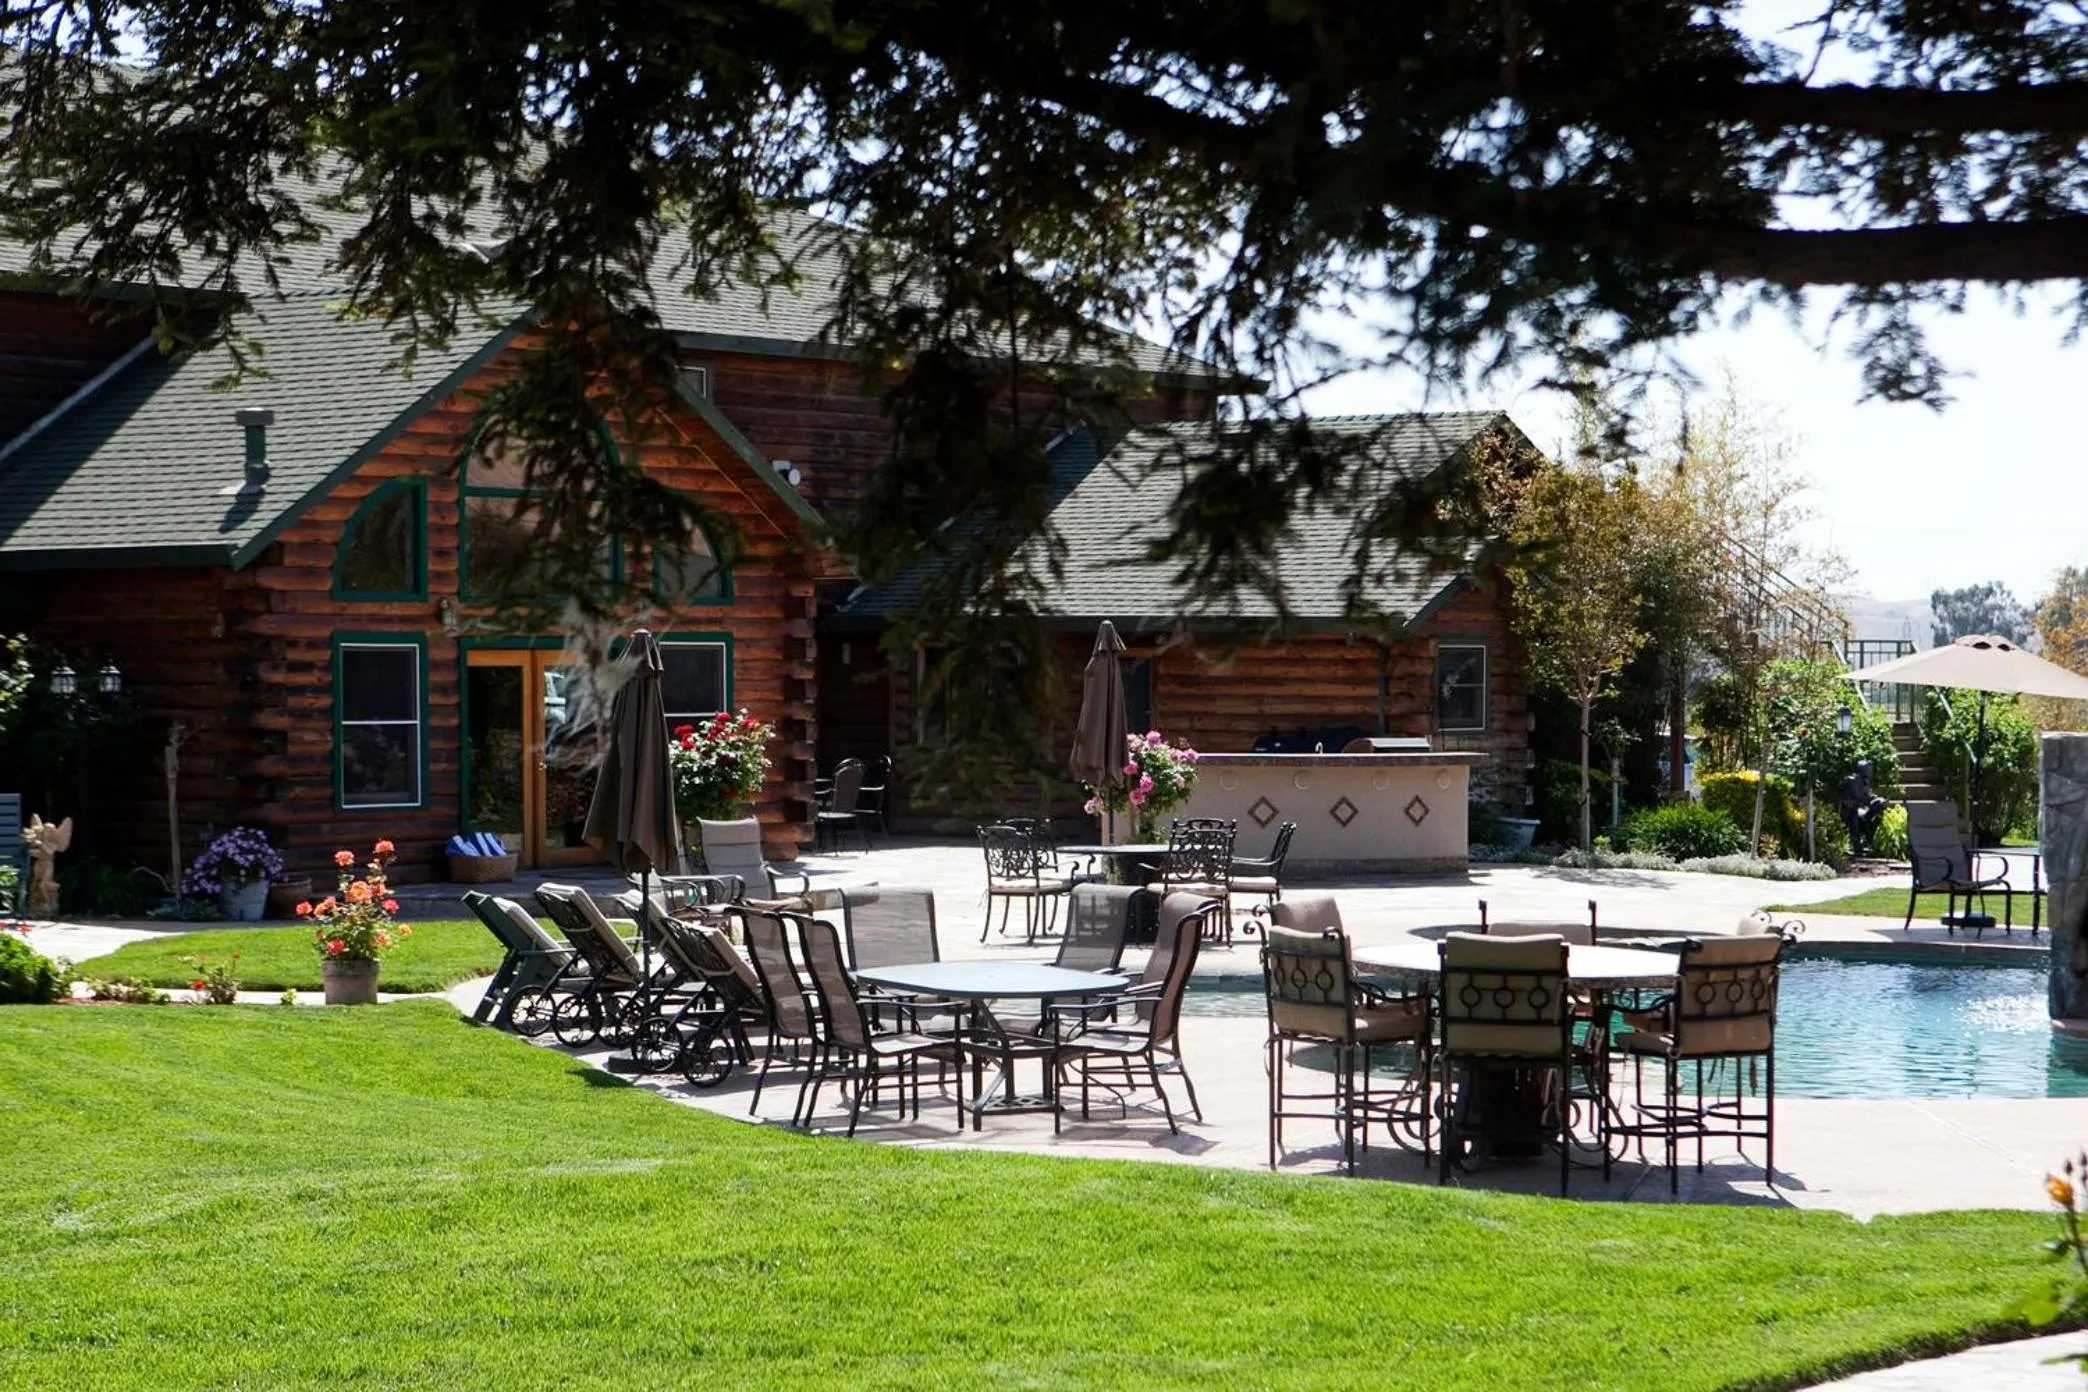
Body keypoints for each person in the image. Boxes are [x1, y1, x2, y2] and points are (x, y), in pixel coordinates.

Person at [1839, 760, 1888, 857]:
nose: (1869, 772)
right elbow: (1841, 789)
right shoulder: (1851, 780)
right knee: (1849, 826)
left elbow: (1867, 796)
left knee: (1859, 826)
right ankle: (1852, 849)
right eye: (1868, 770)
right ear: (1862, 770)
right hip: (1848, 808)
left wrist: (1876, 799)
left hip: (1856, 809)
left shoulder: (1865, 782)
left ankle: (1862, 849)